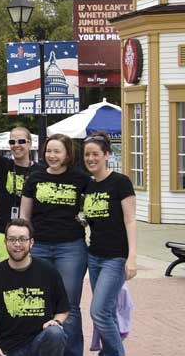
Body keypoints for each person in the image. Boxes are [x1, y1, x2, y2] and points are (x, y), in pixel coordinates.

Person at [20, 134, 89, 356]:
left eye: (57, 151)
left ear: (68, 154)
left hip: (71, 247)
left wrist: (84, 217)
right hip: (39, 246)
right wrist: (25, 242)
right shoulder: (35, 177)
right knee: (38, 302)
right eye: (49, 151)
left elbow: (91, 209)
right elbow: (24, 215)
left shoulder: (81, 178)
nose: (52, 156)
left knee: (69, 306)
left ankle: (72, 352)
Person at [0, 219, 69, 356]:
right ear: (5, 242)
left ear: (31, 242)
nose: (17, 244)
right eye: (12, 239)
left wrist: (56, 321)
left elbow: (63, 308)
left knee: (55, 333)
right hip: (7, 347)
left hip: (39, 342)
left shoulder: (48, 272)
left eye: (22, 239)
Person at [82, 132, 137, 356]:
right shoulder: (89, 186)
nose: (91, 158)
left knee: (99, 312)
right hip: (94, 256)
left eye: (95, 154)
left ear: (107, 155)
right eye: (87, 155)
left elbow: (130, 220)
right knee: (108, 311)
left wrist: (132, 257)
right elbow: (89, 218)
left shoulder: (120, 182)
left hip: (115, 258)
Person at [0, 88, 40, 263]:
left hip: (30, 235)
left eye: (21, 141)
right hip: (4, 233)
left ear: (29, 144)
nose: (16, 145)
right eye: (12, 141)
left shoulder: (39, 171)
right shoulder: (3, 165)